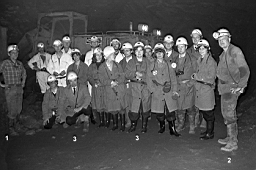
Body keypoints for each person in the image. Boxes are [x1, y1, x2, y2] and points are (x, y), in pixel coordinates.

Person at [213, 28, 250, 151]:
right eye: (219, 40)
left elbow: (244, 69)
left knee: (229, 114)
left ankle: (233, 143)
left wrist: (241, 86)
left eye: (224, 39)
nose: (222, 42)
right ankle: (230, 137)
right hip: (225, 88)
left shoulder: (234, 51)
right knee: (226, 113)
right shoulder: (223, 54)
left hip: (232, 88)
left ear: (229, 39)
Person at [148, 43, 180, 136]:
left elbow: (173, 78)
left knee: (170, 110)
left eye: (161, 52)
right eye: (157, 52)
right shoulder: (151, 65)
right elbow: (148, 78)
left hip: (168, 90)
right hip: (157, 90)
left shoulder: (168, 64)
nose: (159, 54)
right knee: (159, 111)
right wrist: (152, 90)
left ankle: (172, 128)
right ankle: (162, 126)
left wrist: (174, 90)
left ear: (164, 53)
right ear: (155, 54)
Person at [191, 39, 217, 140]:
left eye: (203, 48)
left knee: (208, 113)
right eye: (200, 48)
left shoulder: (211, 61)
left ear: (208, 49)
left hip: (206, 90)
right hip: (200, 90)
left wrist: (197, 76)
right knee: (204, 112)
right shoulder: (200, 60)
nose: (201, 50)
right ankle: (208, 131)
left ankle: (210, 133)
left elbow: (211, 77)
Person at [171, 37, 197, 134]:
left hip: (188, 86)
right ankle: (181, 125)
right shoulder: (174, 60)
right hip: (178, 86)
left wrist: (190, 84)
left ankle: (192, 126)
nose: (180, 49)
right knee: (179, 108)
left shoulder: (192, 59)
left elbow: (196, 73)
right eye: (179, 47)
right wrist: (174, 88)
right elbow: (172, 75)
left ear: (186, 47)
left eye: (182, 46)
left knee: (190, 107)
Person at [0, 45, 27, 136]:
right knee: (11, 109)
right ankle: (11, 128)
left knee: (18, 108)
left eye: (16, 53)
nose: (15, 54)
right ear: (9, 54)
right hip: (10, 88)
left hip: (19, 88)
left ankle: (17, 125)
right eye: (13, 53)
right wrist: (2, 83)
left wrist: (23, 83)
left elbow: (24, 73)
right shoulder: (5, 63)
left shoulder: (19, 64)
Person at [125, 42, 151, 133]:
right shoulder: (131, 62)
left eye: (141, 50)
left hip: (145, 87)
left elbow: (151, 74)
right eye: (137, 50)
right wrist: (135, 74)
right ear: (134, 52)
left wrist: (142, 75)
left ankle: (144, 126)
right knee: (134, 108)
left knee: (145, 108)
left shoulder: (148, 61)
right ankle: (133, 125)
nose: (139, 52)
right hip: (134, 87)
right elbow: (127, 74)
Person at [99, 46, 126, 131]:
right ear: (107, 55)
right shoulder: (102, 67)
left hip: (119, 89)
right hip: (109, 90)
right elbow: (101, 79)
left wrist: (116, 81)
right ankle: (115, 124)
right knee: (113, 108)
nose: (114, 55)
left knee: (121, 108)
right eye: (112, 54)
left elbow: (122, 76)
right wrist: (110, 82)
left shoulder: (118, 65)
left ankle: (122, 125)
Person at [187, 28, 206, 129]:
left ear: (200, 38)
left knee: (202, 101)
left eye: (197, 37)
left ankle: (203, 121)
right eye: (193, 37)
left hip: (201, 80)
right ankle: (194, 122)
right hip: (191, 79)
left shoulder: (204, 49)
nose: (195, 39)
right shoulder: (188, 51)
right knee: (192, 101)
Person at [88, 47, 106, 128]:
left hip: (104, 86)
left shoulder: (106, 65)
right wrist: (94, 82)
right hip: (96, 87)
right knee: (97, 103)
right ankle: (101, 120)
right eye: (97, 55)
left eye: (100, 55)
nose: (99, 56)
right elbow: (89, 76)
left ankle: (106, 120)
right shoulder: (91, 66)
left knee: (105, 102)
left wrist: (103, 82)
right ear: (94, 56)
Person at [119, 42, 133, 128]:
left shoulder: (135, 60)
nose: (126, 52)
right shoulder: (121, 62)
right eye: (124, 51)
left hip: (135, 84)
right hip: (125, 85)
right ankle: (129, 120)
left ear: (131, 51)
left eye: (127, 51)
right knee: (127, 103)